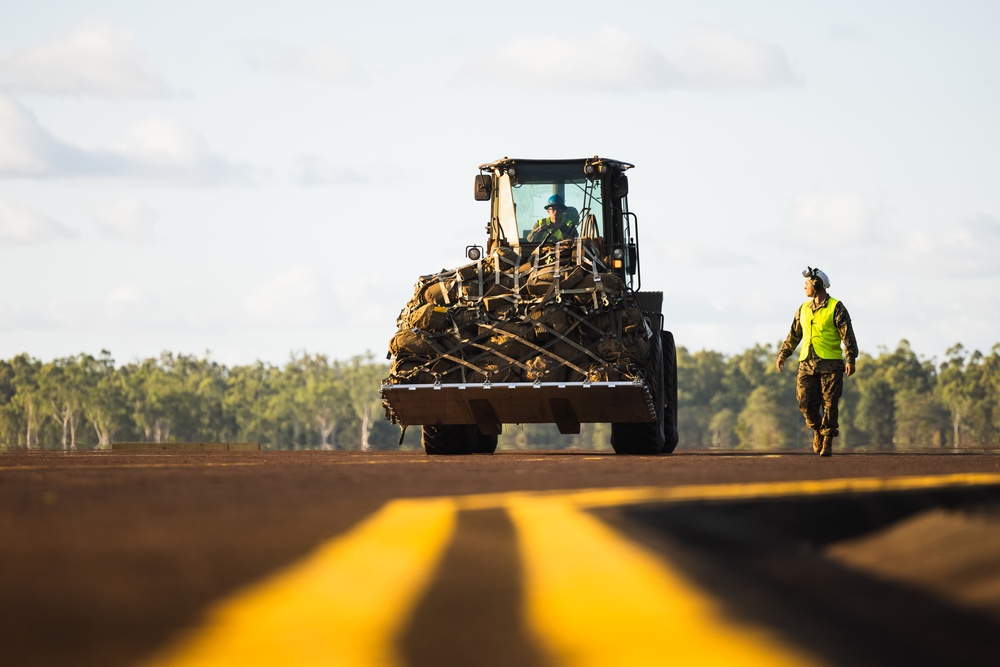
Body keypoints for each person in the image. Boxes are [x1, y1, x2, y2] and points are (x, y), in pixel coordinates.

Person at [775, 267, 859, 457]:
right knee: (804, 402)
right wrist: (783, 354)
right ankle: (817, 430)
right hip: (806, 363)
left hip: (831, 364)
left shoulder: (836, 307)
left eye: (807, 283)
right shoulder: (803, 309)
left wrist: (850, 357)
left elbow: (847, 334)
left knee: (830, 403)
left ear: (817, 284)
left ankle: (827, 441)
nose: (804, 286)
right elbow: (794, 334)